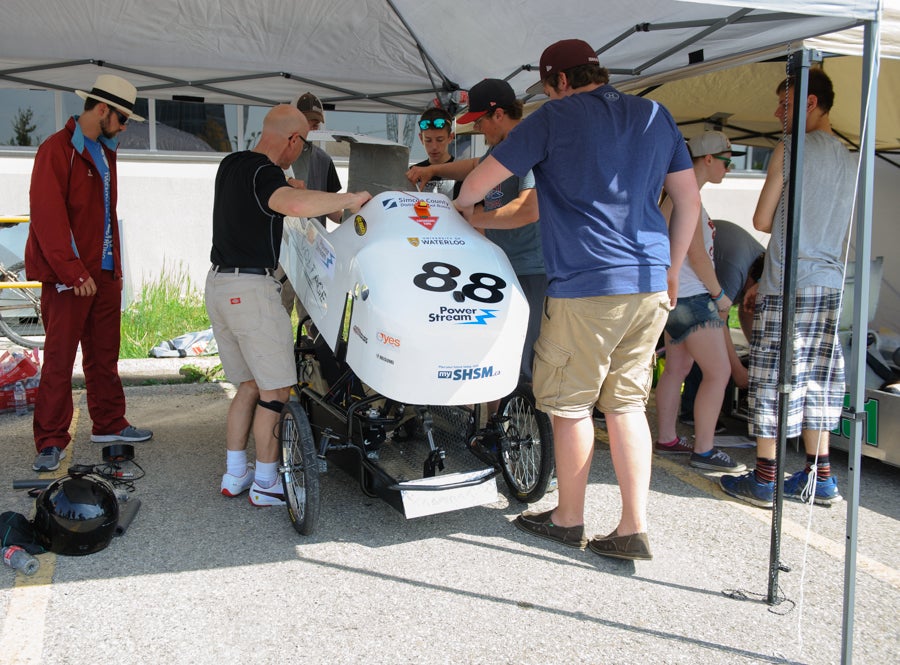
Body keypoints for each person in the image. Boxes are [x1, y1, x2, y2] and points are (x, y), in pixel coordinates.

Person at [454, 40, 700, 560]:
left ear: (560, 82)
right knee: (628, 404)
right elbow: (689, 199)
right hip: (651, 282)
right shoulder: (657, 114)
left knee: (568, 407)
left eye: (547, 86)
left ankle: (568, 518)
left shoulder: (554, 118)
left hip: (587, 285)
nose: (549, 94)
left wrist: (461, 211)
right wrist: (673, 270)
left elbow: (480, 182)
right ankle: (633, 526)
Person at [207, 104, 370, 506]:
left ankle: (234, 474)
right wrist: (349, 199)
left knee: (247, 385)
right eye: (303, 145)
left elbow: (270, 202)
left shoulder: (231, 164)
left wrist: (294, 192)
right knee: (276, 390)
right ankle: (265, 482)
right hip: (251, 290)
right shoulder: (267, 173)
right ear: (294, 140)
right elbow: (293, 207)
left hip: (218, 282)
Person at [720, 68, 856, 508]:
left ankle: (764, 479)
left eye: (785, 104)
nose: (778, 113)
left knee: (772, 378)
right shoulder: (848, 155)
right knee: (818, 377)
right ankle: (821, 476)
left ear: (809, 103)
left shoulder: (791, 147)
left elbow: (761, 220)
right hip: (829, 282)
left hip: (790, 280)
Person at [26, 74, 154, 473]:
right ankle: (50, 441)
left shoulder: (104, 150)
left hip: (103, 273)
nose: (125, 127)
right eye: (123, 119)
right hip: (70, 276)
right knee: (60, 359)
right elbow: (48, 217)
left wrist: (108, 271)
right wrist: (71, 269)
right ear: (102, 110)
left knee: (104, 356)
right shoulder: (56, 149)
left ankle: (110, 423)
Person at [407, 79, 544, 383]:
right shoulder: (501, 148)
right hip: (502, 266)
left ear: (498, 115)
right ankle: (503, 422)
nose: (478, 130)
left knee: (523, 358)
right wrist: (433, 170)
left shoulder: (527, 145)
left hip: (530, 270)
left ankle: (530, 428)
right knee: (498, 350)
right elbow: (473, 166)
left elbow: (527, 210)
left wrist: (470, 219)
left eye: (480, 121)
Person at [654, 131, 746, 473]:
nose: (729, 169)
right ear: (708, 159)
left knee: (677, 368)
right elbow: (694, 252)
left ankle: (667, 438)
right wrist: (720, 295)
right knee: (718, 372)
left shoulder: (674, 193)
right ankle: (705, 450)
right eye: (727, 161)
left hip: (676, 296)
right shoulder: (686, 193)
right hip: (692, 296)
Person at [678, 221, 764, 423]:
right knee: (709, 353)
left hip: (687, 289)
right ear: (753, 283)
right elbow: (718, 322)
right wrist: (738, 370)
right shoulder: (736, 270)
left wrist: (756, 348)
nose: (750, 301)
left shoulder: (760, 263)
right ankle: (693, 413)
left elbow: (746, 309)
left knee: (684, 362)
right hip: (686, 293)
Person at [276, 92, 344, 318]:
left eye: (315, 123)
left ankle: (311, 351)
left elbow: (333, 211)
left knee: (313, 314)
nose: (311, 128)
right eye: (307, 121)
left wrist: (357, 216)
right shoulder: (277, 158)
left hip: (314, 250)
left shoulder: (323, 160)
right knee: (279, 309)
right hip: (282, 248)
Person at [410, 107, 462, 198]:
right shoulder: (414, 172)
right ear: (421, 138)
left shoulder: (462, 171)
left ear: (450, 137)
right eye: (428, 140)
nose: (434, 147)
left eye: (440, 140)